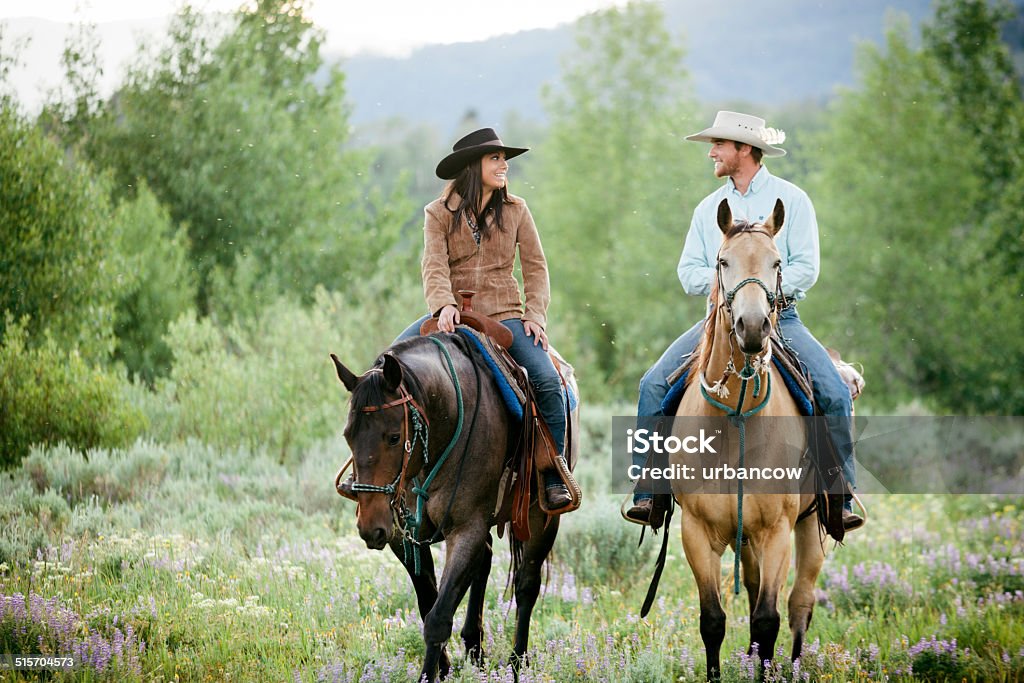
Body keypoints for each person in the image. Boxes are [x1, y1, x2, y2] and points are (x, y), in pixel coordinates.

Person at [626, 111, 862, 530]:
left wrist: (762, 297)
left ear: (745, 150)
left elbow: (807, 266)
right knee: (652, 386)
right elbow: (688, 271)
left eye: (719, 145)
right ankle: (650, 490)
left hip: (780, 318)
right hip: (719, 322)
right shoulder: (707, 210)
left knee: (832, 392)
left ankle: (838, 495)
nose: (711, 152)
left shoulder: (793, 199)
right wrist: (729, 291)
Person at [393, 127, 572, 510]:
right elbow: (434, 265)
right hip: (450, 315)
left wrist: (535, 315)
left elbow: (536, 268)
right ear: (474, 166)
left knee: (544, 378)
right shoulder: (437, 213)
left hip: (505, 315)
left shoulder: (517, 210)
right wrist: (443, 305)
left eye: (504, 158)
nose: (504, 165)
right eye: (496, 158)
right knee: (389, 365)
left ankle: (552, 475)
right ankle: (392, 481)